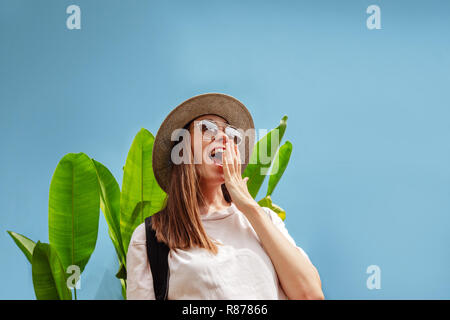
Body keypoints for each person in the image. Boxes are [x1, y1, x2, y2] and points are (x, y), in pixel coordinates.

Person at [126, 93, 324, 300]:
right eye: (207, 128)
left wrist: (249, 206)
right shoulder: (150, 237)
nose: (223, 137)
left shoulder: (266, 219)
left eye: (231, 133)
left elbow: (310, 295)